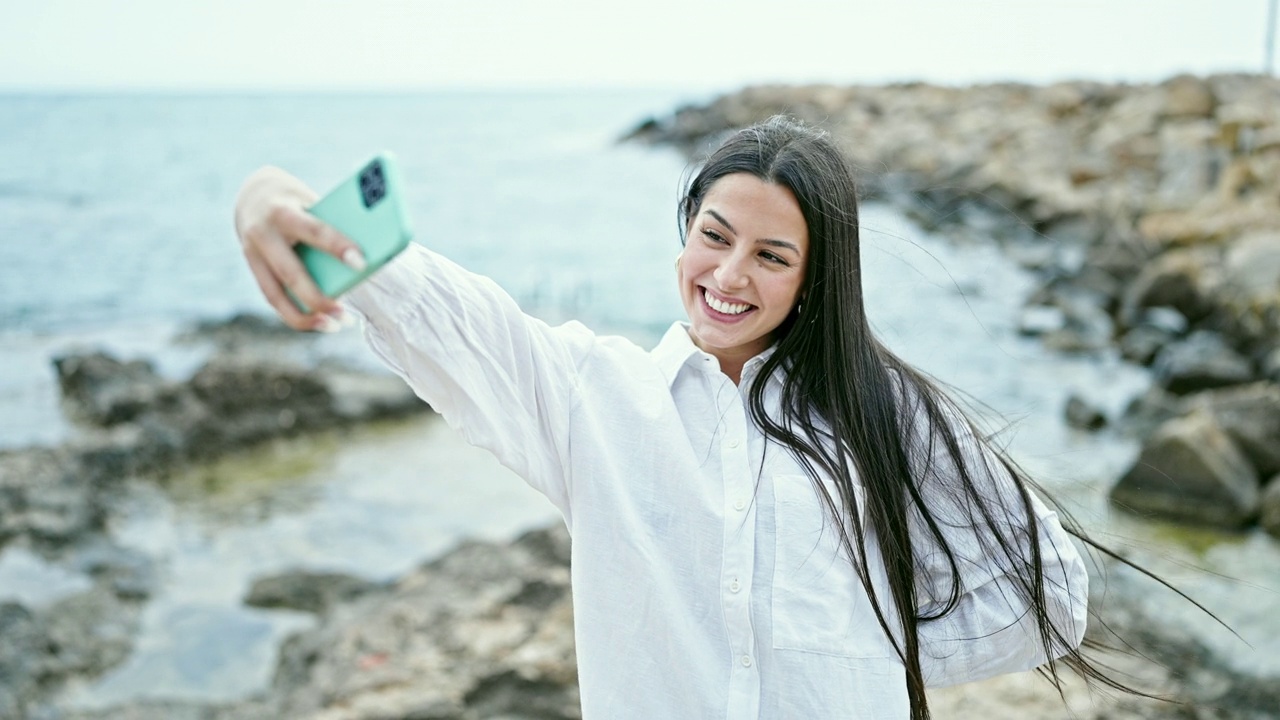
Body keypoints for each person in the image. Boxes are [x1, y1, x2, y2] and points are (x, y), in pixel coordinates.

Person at [234, 116, 1093, 719]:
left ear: (815, 278)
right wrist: (270, 195)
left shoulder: (885, 409)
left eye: (771, 256)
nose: (729, 274)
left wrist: (861, 657)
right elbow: (456, 320)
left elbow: (1051, 590)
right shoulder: (596, 398)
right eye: (714, 236)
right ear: (685, 233)